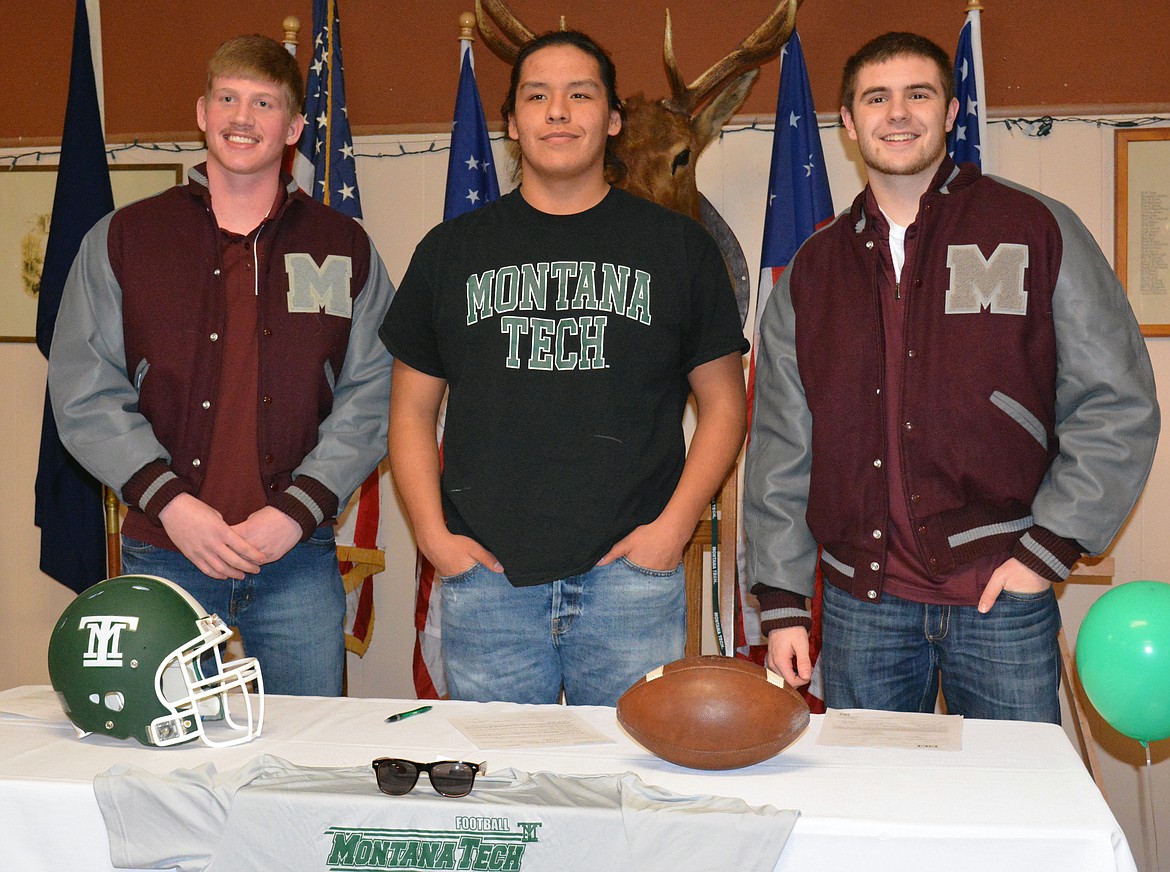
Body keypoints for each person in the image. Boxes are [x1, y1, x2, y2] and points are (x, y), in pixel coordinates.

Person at [744, 32, 1159, 723]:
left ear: (951, 111)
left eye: (918, 95)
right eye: (876, 98)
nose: (897, 113)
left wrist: (1046, 552)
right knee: (875, 817)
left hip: (1002, 596)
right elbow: (782, 446)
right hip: (861, 611)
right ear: (848, 124)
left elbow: (1116, 402)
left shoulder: (1035, 227)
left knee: (1015, 814)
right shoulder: (812, 270)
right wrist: (783, 603)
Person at [380, 30, 748, 706]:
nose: (558, 112)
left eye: (580, 95)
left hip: (632, 583)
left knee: (627, 786)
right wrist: (435, 538)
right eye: (537, 96)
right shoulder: (449, 252)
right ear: (512, 121)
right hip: (488, 583)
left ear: (611, 121)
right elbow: (408, 410)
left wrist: (673, 532)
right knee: (498, 797)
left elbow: (726, 405)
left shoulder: (679, 249)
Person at [48, 35, 394, 696]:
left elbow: (375, 391)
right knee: (167, 763)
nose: (243, 117)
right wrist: (173, 505)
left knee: (301, 765)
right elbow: (84, 390)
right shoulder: (125, 239)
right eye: (228, 98)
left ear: (292, 126)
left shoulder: (342, 245)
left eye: (264, 102)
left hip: (296, 556)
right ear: (202, 111)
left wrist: (296, 511)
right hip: (166, 551)